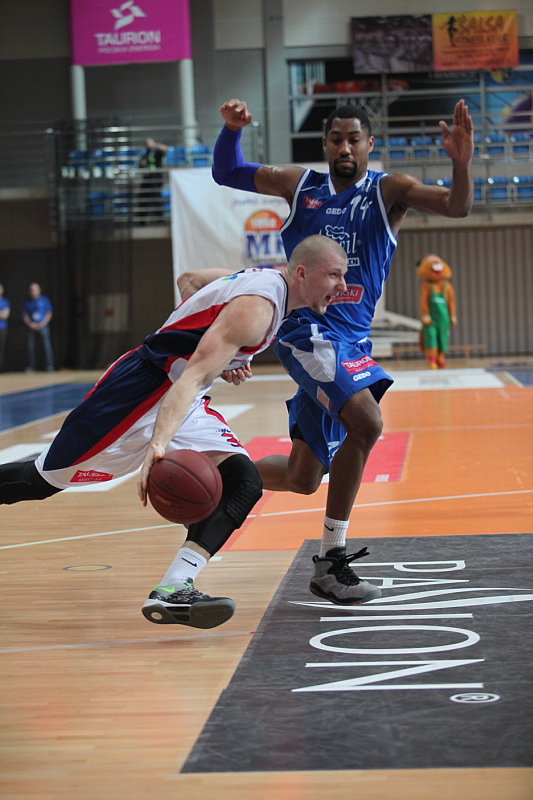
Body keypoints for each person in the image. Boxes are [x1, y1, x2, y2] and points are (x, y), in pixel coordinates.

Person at [0, 235, 356, 628]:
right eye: (334, 274)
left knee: (243, 480)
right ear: (302, 273)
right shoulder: (258, 308)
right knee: (39, 481)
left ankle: (174, 587)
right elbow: (190, 377)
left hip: (181, 396)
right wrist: (159, 444)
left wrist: (217, 351)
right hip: (137, 394)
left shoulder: (266, 283)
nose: (342, 285)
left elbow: (189, 280)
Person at [211, 96, 474, 605]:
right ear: (325, 145)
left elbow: (457, 206)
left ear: (369, 144)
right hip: (306, 330)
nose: (345, 147)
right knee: (368, 422)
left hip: (350, 341)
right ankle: (332, 560)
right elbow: (227, 172)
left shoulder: (388, 190)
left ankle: (214, 474)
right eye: (336, 139)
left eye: (354, 139)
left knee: (302, 477)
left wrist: (461, 164)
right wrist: (231, 130)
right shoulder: (299, 185)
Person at [22, 282, 54, 372]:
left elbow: (49, 313)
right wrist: (30, 324)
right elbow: (25, 315)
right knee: (31, 347)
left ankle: (49, 365)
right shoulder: (27, 302)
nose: (33, 292)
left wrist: (43, 323)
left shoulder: (44, 300)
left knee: (46, 345)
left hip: (43, 326)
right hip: (32, 327)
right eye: (32, 290)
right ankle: (31, 366)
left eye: (35, 290)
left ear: (39, 290)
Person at [138, 137, 168, 221]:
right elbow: (141, 166)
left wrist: (154, 144)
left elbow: (165, 148)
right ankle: (142, 221)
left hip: (156, 179)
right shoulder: (145, 155)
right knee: (144, 199)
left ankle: (160, 220)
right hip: (147, 179)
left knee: (157, 199)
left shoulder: (157, 152)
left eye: (150, 142)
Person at [0, 283, 10, 372]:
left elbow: (5, 315)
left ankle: (1, 368)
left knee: (1, 349)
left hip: (2, 328)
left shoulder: (5, 302)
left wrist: (2, 314)